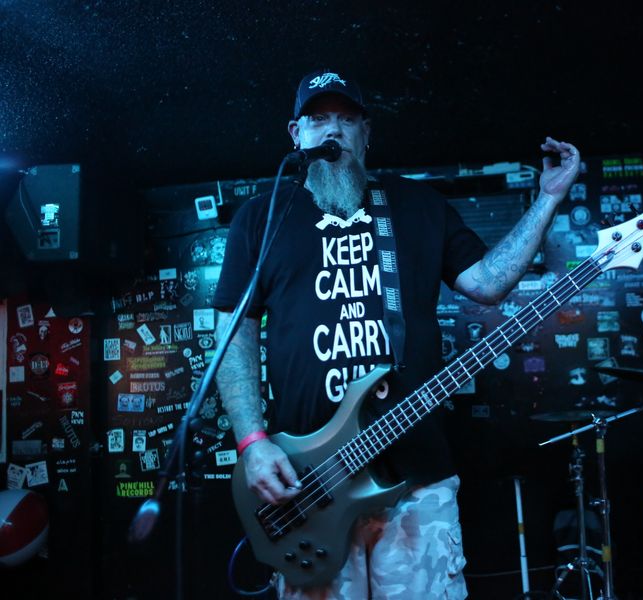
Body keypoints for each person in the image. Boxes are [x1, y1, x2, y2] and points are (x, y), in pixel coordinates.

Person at [212, 68, 581, 599]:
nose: (333, 130)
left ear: (367, 133)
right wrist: (252, 442)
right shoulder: (261, 218)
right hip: (309, 486)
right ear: (296, 135)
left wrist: (547, 198)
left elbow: (488, 283)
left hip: (417, 480)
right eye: (318, 119)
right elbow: (234, 335)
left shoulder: (418, 207)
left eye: (347, 119)